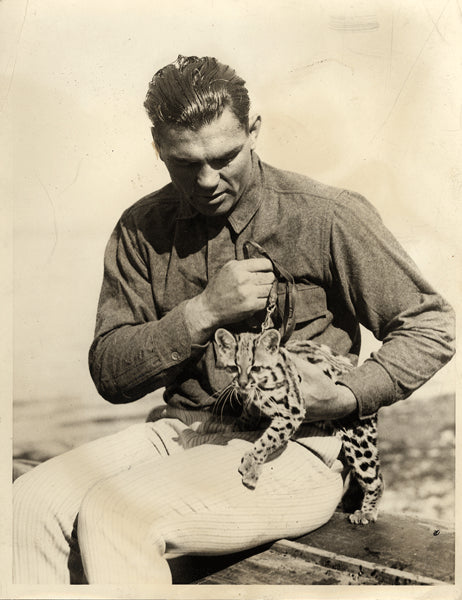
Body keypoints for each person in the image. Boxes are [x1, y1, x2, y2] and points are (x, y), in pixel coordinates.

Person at [13, 55, 455, 585]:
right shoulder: (140, 228)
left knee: (117, 515)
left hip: (297, 446)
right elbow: (110, 374)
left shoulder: (324, 214)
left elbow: (432, 325)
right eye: (184, 162)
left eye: (225, 157)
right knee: (24, 507)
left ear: (254, 131)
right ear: (158, 148)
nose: (206, 180)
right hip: (182, 432)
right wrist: (203, 312)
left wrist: (347, 397)